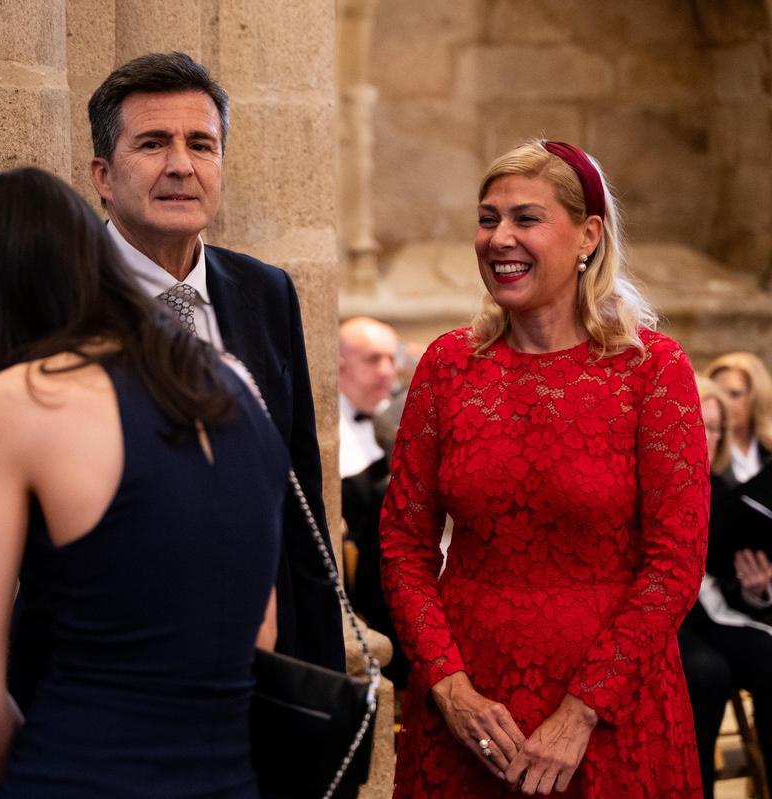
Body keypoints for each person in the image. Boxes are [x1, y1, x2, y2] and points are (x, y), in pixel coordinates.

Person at [0, 167, 287, 795]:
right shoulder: (234, 380)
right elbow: (262, 632)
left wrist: (49, 775)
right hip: (225, 776)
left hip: (76, 772)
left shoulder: (19, 399)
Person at [380, 139, 709, 797]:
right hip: (469, 710)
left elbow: (674, 563)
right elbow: (403, 545)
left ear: (589, 234)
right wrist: (448, 685)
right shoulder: (447, 366)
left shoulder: (651, 370)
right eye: (487, 219)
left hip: (611, 709)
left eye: (525, 218)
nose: (499, 237)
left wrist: (582, 710)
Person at [77, 51, 343, 674]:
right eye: (152, 144)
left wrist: (321, 672)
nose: (181, 165)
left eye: (201, 145)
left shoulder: (266, 292)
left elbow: (300, 498)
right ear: (103, 176)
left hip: (259, 669)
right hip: (117, 663)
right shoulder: (58, 297)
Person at [679, 376, 772, 798]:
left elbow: (729, 581)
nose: (707, 436)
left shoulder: (720, 490)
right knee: (706, 674)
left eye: (715, 428)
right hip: (669, 622)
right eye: (698, 424)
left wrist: (756, 589)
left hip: (713, 615)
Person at [337, 316, 409, 686]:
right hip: (364, 589)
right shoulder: (326, 429)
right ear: (339, 367)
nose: (386, 371)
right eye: (372, 359)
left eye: (391, 359)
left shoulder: (391, 417)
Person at [706, 351, 772, 483]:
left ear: (757, 397)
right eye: (717, 394)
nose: (724, 402)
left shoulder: (767, 448)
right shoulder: (708, 447)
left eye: (734, 394)